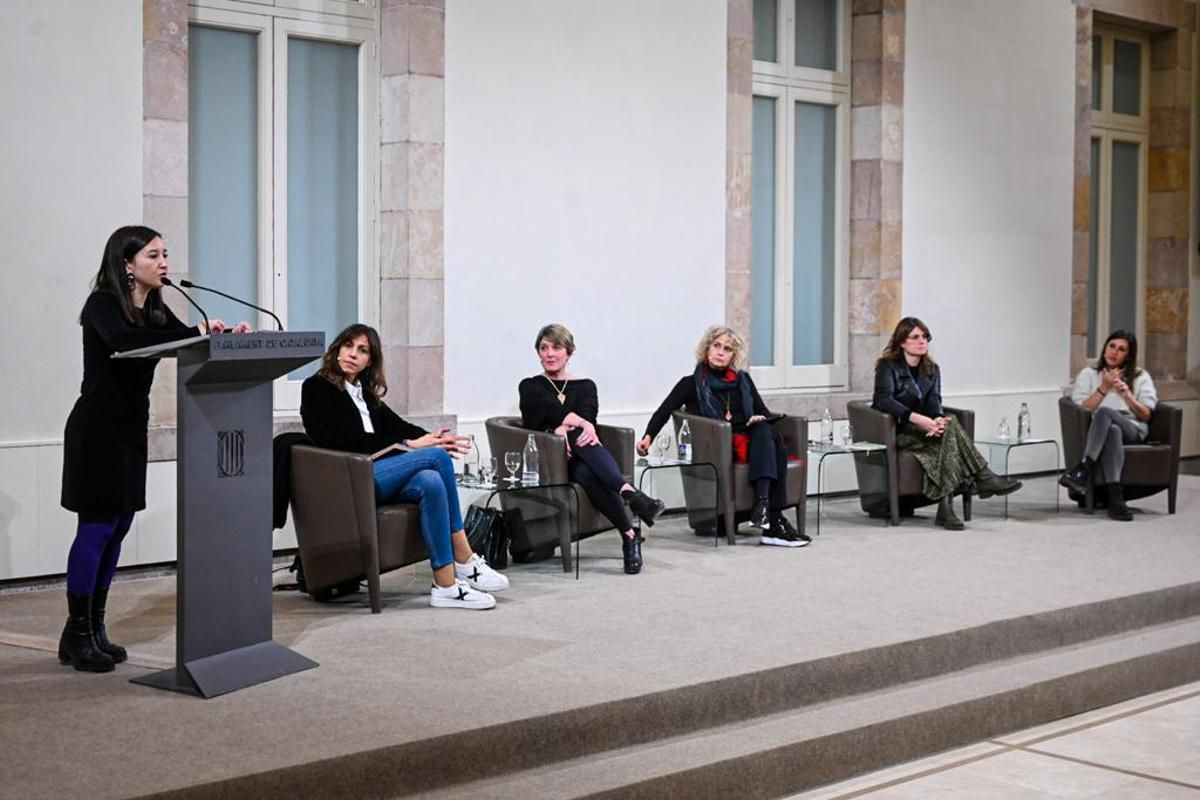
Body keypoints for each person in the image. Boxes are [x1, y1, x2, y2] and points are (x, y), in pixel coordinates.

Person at [60, 225, 251, 673]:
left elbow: (186, 341)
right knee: (96, 527)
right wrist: (195, 333)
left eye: (165, 254)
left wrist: (222, 335)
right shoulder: (102, 305)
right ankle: (78, 631)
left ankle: (94, 629)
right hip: (97, 430)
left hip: (129, 430)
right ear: (127, 264)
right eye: (153, 255)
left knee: (119, 526)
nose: (164, 263)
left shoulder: (156, 310)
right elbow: (127, 344)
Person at [301, 323, 508, 609]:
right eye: (348, 346)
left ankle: (445, 585)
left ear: (369, 361)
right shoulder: (317, 388)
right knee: (437, 458)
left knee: (430, 481)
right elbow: (350, 441)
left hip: (376, 474)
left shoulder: (364, 393)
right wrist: (416, 446)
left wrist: (431, 436)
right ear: (337, 349)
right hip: (349, 477)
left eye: (362, 351)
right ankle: (464, 556)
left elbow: (397, 426)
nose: (352, 354)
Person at [638, 325, 810, 547]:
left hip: (752, 437)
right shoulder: (691, 383)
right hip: (718, 444)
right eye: (716, 346)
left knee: (766, 430)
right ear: (707, 349)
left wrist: (759, 419)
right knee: (772, 441)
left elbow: (764, 412)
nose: (720, 352)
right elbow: (663, 411)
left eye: (727, 349)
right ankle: (772, 519)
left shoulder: (743, 380)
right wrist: (647, 437)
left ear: (733, 355)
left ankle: (765, 509)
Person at [519, 324, 664, 575]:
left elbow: (589, 418)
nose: (550, 354)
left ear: (569, 352)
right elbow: (543, 413)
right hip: (548, 456)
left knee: (585, 471)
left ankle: (630, 535)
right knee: (577, 432)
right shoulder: (530, 385)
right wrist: (562, 429)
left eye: (556, 347)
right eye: (544, 348)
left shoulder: (586, 386)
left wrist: (572, 425)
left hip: (579, 459)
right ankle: (632, 495)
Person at [872, 317, 1021, 530]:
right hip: (901, 429)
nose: (922, 341)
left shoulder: (932, 369)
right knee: (950, 432)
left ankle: (947, 508)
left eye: (925, 337)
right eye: (915, 337)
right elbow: (883, 400)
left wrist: (937, 419)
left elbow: (934, 402)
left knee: (949, 427)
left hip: (928, 430)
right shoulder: (888, 366)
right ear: (902, 341)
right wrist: (918, 419)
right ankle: (982, 476)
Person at [1059, 330, 1157, 521]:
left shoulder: (1140, 376)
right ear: (1105, 348)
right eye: (1111, 346)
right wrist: (1104, 387)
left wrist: (1127, 395)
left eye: (1121, 349)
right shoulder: (1088, 374)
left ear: (1128, 355)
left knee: (1106, 414)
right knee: (1112, 429)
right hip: (1100, 429)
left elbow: (1146, 415)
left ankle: (1083, 469)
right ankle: (1115, 497)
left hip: (1133, 427)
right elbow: (1082, 409)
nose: (1114, 352)